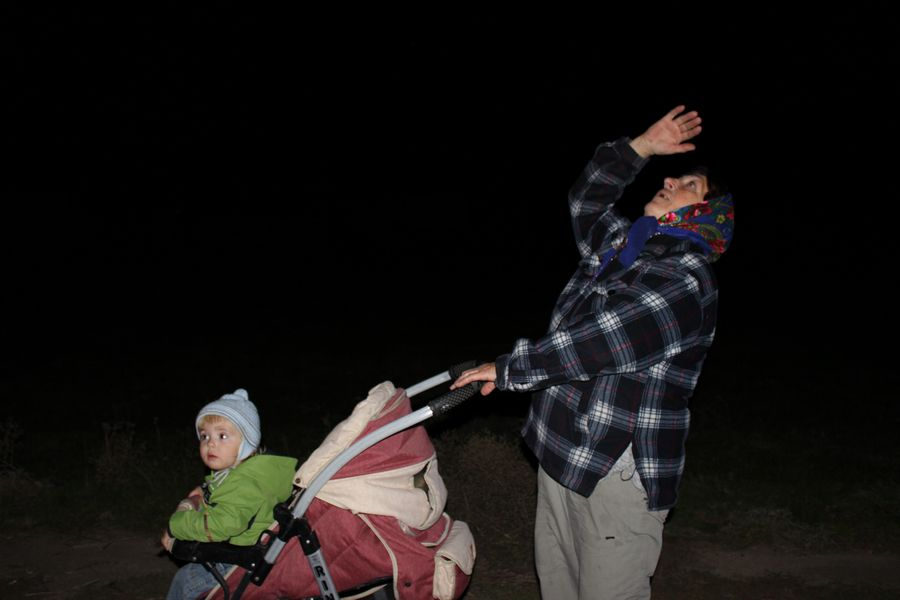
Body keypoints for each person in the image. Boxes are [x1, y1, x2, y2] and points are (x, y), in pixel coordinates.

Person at [451, 106, 734, 599]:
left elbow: (601, 341)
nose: (669, 180)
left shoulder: (686, 278)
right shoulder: (624, 247)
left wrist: (510, 368)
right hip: (561, 452)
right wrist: (641, 147)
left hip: (614, 469)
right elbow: (586, 199)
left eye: (689, 185)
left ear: (705, 216)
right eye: (675, 175)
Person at [160, 389, 297, 600]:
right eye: (204, 436)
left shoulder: (245, 483)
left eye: (222, 436)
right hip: (253, 550)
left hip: (239, 562)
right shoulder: (243, 473)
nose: (210, 443)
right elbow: (226, 500)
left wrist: (176, 525)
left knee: (185, 581)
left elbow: (222, 525)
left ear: (247, 443)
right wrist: (204, 495)